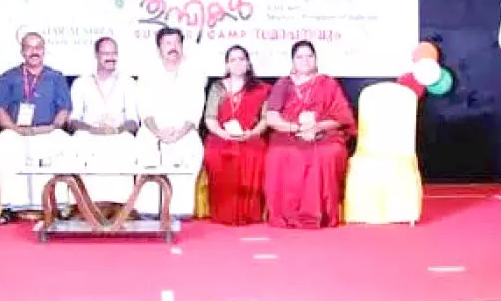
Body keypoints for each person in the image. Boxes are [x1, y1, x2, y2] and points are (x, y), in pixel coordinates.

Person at [264, 40, 356, 228]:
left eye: (309, 56)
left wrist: (317, 127)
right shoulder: (283, 84)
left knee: (328, 153)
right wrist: (296, 128)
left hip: (324, 133)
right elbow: (272, 118)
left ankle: (322, 214)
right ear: (292, 61)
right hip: (289, 132)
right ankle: (286, 214)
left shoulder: (328, 84)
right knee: (278, 153)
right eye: (300, 57)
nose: (305, 60)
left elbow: (342, 117)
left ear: (316, 59)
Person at [0, 32, 72, 225]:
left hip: (48, 130)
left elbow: (64, 110)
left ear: (44, 50)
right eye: (29, 47)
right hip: (16, 131)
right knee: (2, 145)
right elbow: (0, 110)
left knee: (66, 144)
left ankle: (60, 205)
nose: (34, 52)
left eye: (38, 47)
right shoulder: (8, 77)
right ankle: (8, 206)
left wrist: (52, 127)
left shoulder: (56, 77)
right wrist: (15, 129)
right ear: (22, 51)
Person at [134, 27, 206, 219]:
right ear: (159, 48)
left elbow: (196, 109)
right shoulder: (148, 73)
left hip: (183, 131)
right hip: (153, 131)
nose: (173, 47)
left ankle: (177, 210)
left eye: (176, 43)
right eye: (167, 43)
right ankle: (148, 210)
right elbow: (144, 109)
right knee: (146, 148)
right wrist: (158, 132)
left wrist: (180, 133)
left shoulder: (194, 72)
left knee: (189, 147)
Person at [203, 45, 271, 225]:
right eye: (232, 60)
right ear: (227, 65)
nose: (237, 63)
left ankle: (249, 213)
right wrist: (223, 134)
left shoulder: (262, 89)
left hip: (250, 137)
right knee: (215, 154)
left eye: (241, 59)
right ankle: (223, 212)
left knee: (253, 153)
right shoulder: (218, 87)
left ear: (248, 63)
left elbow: (265, 119)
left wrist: (252, 133)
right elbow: (210, 118)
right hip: (221, 138)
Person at [68, 36, 140, 203]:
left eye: (114, 53)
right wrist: (93, 130)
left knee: (127, 142)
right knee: (78, 140)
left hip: (118, 134)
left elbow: (133, 121)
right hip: (89, 134)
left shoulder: (128, 82)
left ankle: (121, 205)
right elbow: (72, 121)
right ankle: (83, 204)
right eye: (106, 54)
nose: (111, 58)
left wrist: (117, 130)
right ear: (96, 55)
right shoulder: (81, 83)